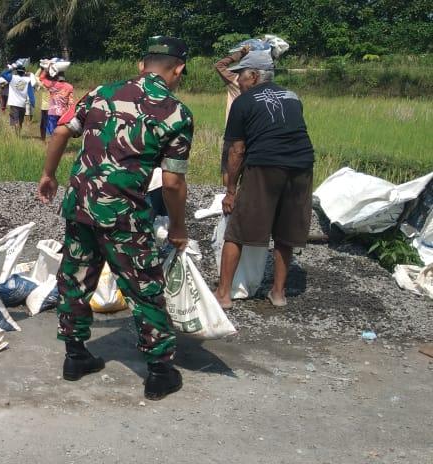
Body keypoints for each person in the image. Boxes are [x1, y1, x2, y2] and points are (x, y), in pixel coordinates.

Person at [36, 36, 193, 401]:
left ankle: (74, 357)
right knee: (145, 289)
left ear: (142, 64)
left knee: (75, 279)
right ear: (179, 69)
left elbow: (61, 130)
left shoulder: (100, 93)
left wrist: (48, 175)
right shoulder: (175, 113)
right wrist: (179, 230)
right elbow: (172, 182)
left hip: (80, 206)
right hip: (124, 216)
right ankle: (158, 372)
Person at [214, 53, 315, 310]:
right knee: (286, 232)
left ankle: (223, 294)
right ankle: (278, 293)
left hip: (265, 166)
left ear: (255, 75)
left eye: (241, 74)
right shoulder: (293, 96)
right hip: (302, 166)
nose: (238, 79)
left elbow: (237, 150)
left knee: (237, 230)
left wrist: (230, 191)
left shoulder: (243, 101)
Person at [215, 45, 252, 185]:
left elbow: (219, 65)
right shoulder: (259, 82)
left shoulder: (235, 79)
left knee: (228, 166)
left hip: (233, 128)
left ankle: (228, 193)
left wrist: (239, 54)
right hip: (252, 130)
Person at [38, 63, 75, 138]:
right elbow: (71, 102)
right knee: (61, 132)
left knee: (52, 133)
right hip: (64, 113)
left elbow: (41, 78)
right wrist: (71, 114)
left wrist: (46, 68)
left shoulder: (51, 84)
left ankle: (51, 146)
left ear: (56, 76)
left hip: (52, 112)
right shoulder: (70, 87)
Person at [1, 64, 34, 133]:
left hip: (14, 104)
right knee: (20, 121)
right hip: (22, 104)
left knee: (16, 121)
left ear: (16, 71)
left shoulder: (12, 77)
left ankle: (17, 136)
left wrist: (12, 68)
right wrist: (33, 102)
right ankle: (18, 134)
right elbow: (31, 93)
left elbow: (3, 74)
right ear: (24, 72)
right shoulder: (28, 80)